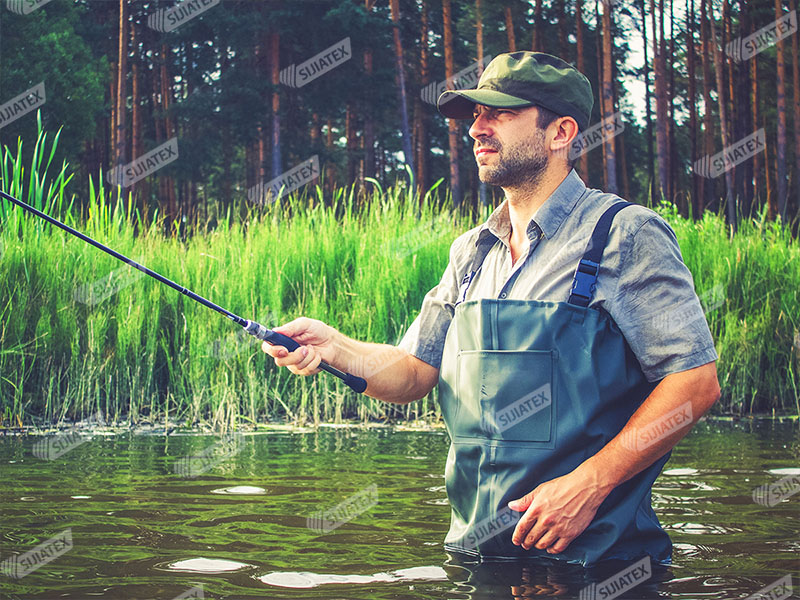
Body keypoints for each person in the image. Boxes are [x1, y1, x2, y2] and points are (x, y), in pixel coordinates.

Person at [261, 51, 721, 567]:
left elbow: (695, 382)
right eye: (475, 115)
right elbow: (414, 373)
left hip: (600, 563)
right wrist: (336, 348)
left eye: (498, 113)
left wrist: (589, 484)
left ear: (560, 132)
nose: (477, 128)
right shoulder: (471, 251)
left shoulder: (625, 233)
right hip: (476, 558)